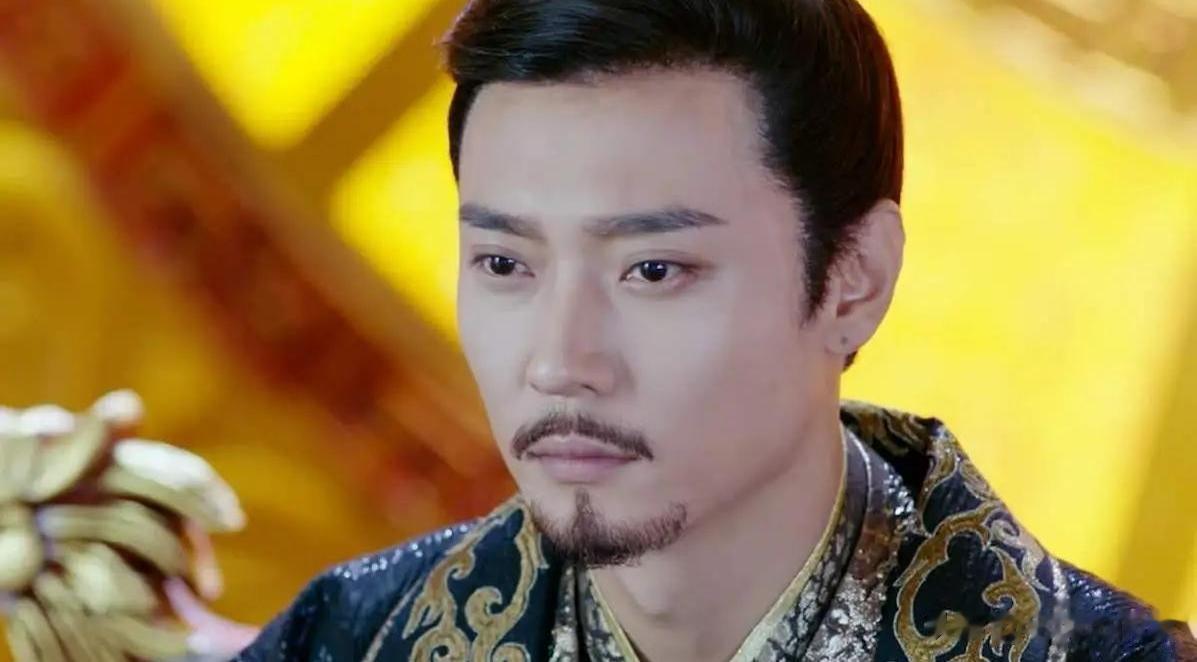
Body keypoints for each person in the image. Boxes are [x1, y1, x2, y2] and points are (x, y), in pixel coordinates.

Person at [236, 0, 1195, 660]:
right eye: (504, 266)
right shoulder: (351, 637)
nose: (559, 362)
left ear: (853, 282)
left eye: (653, 271)